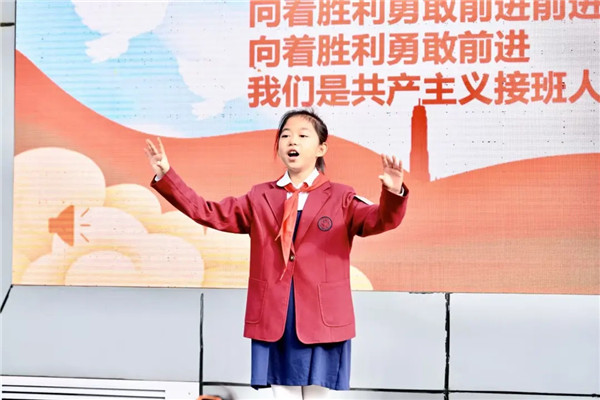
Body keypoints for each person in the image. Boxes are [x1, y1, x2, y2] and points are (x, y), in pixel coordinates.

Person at [145, 109, 409, 400]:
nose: (292, 141)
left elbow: (379, 220)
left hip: (322, 317)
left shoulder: (341, 196)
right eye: (285, 135)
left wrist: (394, 193)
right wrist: (166, 176)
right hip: (276, 315)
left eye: (302, 135)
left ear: (321, 148)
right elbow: (207, 212)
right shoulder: (260, 197)